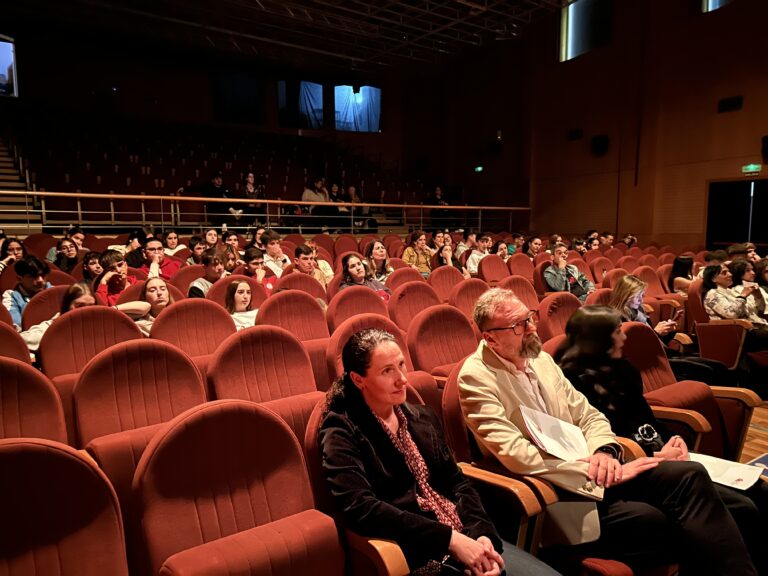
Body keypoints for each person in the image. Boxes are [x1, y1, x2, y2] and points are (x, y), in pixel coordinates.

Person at [457, 288, 757, 575]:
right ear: (490, 338)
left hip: (599, 469)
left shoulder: (541, 360)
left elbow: (589, 415)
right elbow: (515, 454)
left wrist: (605, 451)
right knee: (657, 521)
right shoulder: (476, 376)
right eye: (518, 325)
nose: (532, 328)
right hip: (560, 489)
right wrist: (590, 471)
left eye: (530, 318)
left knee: (688, 475)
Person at [319, 328, 560, 576]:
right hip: (419, 551)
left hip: (468, 538)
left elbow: (457, 483)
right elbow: (361, 507)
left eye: (401, 365)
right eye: (386, 371)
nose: (402, 378)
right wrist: (451, 541)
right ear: (359, 379)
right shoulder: (341, 430)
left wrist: (482, 534)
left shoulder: (421, 416)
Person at [554, 305, 768, 574]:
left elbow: (646, 418)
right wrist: (653, 457)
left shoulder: (623, 368)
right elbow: (595, 444)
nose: (624, 338)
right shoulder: (572, 382)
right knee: (743, 508)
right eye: (617, 332)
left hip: (658, 455)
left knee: (758, 490)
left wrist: (673, 439)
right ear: (597, 338)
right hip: (631, 466)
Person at [608, 274, 733, 386]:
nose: (641, 300)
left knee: (719, 367)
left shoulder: (639, 311)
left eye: (642, 295)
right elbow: (631, 349)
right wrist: (656, 332)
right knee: (708, 371)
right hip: (649, 362)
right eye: (637, 296)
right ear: (625, 295)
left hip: (663, 354)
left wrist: (667, 332)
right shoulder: (617, 317)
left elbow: (656, 340)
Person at [2, 256, 51, 328]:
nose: (40, 280)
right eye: (33, 276)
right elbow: (16, 329)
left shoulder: (54, 291)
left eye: (43, 275)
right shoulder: (11, 297)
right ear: (19, 278)